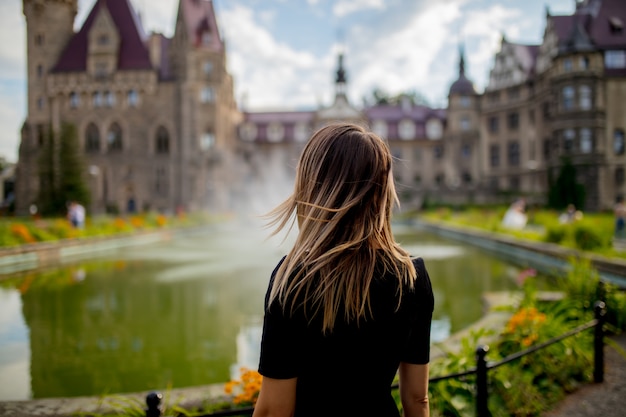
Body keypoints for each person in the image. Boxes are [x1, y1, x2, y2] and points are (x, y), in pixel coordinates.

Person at [253, 123, 435, 417]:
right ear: (381, 193)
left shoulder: (292, 279)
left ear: (312, 187)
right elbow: (417, 399)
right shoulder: (411, 275)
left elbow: (275, 410)